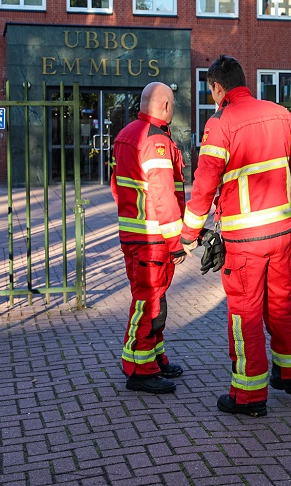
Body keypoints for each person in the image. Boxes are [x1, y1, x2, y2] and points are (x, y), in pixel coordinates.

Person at [181, 55, 291, 417]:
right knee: (281, 302)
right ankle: (290, 372)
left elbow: (205, 181)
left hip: (245, 241)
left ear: (217, 87)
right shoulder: (280, 114)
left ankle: (249, 395)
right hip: (281, 233)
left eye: (210, 90)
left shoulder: (220, 123)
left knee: (245, 313)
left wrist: (189, 233)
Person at [111, 82, 186, 394]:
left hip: (135, 233)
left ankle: (154, 358)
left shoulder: (125, 134)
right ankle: (140, 370)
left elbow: (118, 188)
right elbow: (163, 194)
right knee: (149, 300)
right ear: (166, 106)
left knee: (154, 299)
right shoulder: (154, 139)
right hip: (153, 235)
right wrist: (175, 241)